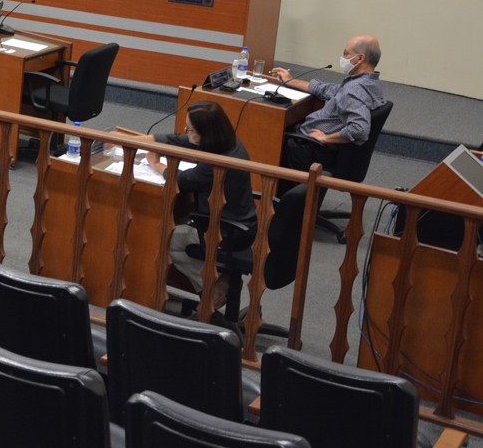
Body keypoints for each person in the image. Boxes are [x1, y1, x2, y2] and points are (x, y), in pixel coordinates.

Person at [136, 100, 257, 309]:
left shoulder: (216, 163)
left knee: (165, 238)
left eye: (190, 129)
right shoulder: (230, 142)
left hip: (227, 231)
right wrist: (141, 140)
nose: (185, 131)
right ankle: (223, 277)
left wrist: (155, 163)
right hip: (243, 222)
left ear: (205, 133)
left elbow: (180, 180)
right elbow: (180, 140)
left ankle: (212, 286)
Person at [270, 34, 385, 174]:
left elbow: (360, 129)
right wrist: (291, 81)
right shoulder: (371, 82)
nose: (342, 57)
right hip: (317, 147)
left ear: (360, 58)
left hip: (308, 148)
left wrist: (326, 138)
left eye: (346, 53)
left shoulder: (353, 90)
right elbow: (328, 90)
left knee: (267, 133)